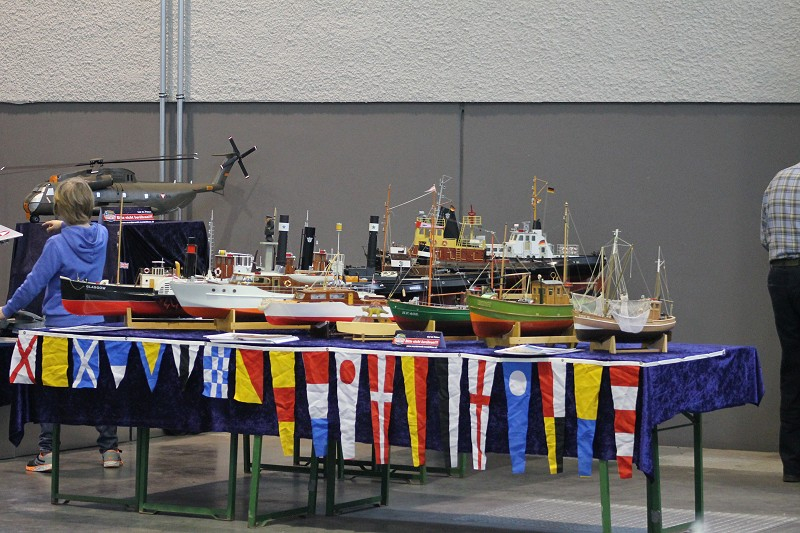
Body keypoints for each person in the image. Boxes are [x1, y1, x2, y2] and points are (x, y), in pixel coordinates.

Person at [0, 178, 121, 472]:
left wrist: (6, 310)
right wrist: (66, 224)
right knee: (97, 387)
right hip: (93, 326)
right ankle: (110, 450)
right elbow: (88, 229)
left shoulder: (56, 245)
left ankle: (47, 452)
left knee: (52, 388)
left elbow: (33, 284)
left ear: (60, 207)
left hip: (59, 329)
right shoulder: (102, 235)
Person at [761, 161, 800, 483]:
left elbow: (765, 238)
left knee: (793, 367)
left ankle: (793, 465)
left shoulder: (779, 179)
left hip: (781, 276)